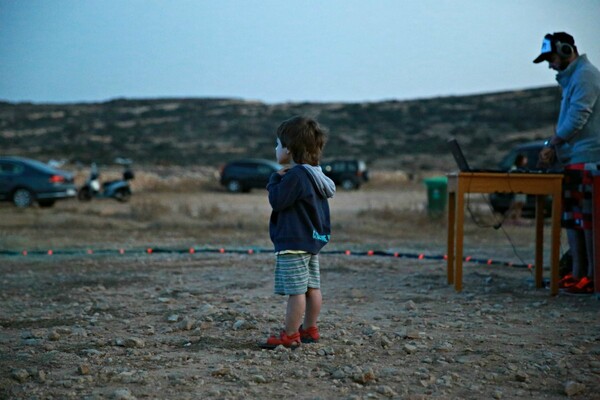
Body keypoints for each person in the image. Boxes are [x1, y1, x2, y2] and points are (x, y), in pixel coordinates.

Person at [260, 116, 336, 348]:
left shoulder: (295, 176)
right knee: (312, 287)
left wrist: (274, 180)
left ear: (289, 150)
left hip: (294, 242)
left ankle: (291, 334)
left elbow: (278, 201)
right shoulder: (316, 175)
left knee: (296, 291)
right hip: (312, 241)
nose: (276, 149)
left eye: (278, 144)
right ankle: (309, 329)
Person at [534, 32, 600, 294]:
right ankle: (577, 273)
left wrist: (552, 144)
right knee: (574, 221)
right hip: (575, 159)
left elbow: (577, 119)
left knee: (587, 222)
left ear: (564, 50)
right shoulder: (573, 78)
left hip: (588, 159)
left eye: (551, 58)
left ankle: (592, 276)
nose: (550, 65)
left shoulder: (585, 76)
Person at [506, 154, 529, 223]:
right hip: (516, 188)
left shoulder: (524, 168)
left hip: (522, 188)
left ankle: (517, 217)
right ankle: (514, 217)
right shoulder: (514, 168)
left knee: (520, 203)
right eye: (524, 159)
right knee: (516, 203)